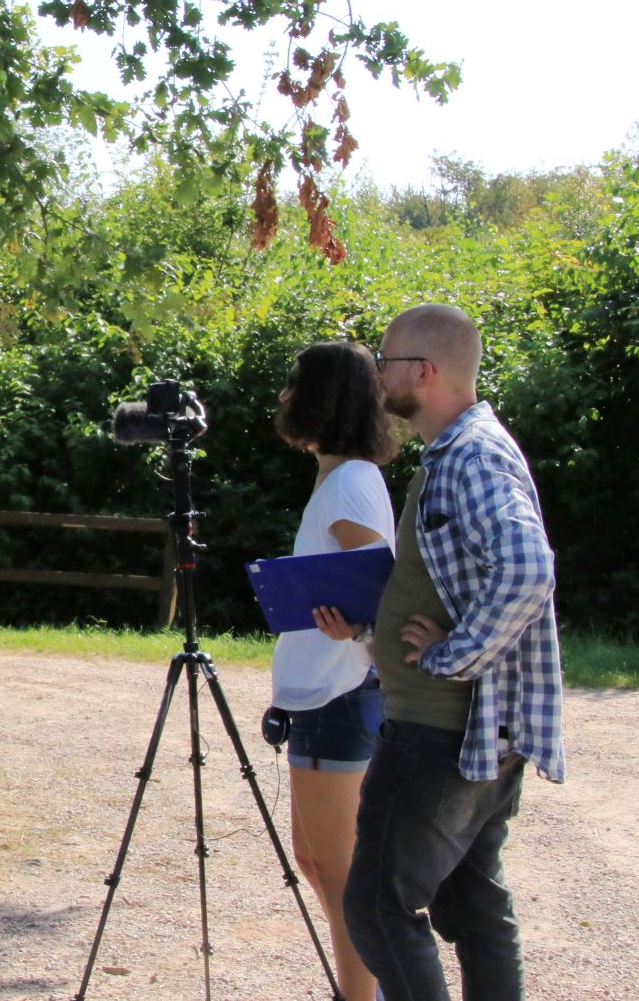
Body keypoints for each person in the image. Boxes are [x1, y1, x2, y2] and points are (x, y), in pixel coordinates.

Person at [336, 304, 565, 1001]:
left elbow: (528, 567)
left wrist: (454, 655)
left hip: (443, 730)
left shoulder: (470, 453)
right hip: (471, 729)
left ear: (423, 372)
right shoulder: (463, 449)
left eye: (386, 361)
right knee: (471, 906)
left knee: (378, 907)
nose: (377, 375)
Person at [270, 341, 398, 1001]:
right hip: (323, 696)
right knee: (317, 861)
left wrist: (360, 623)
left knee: (338, 867)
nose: (287, 397)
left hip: (341, 696)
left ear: (321, 397)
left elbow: (382, 579)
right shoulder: (341, 477)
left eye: (296, 386)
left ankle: (360, 996)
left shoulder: (350, 481)